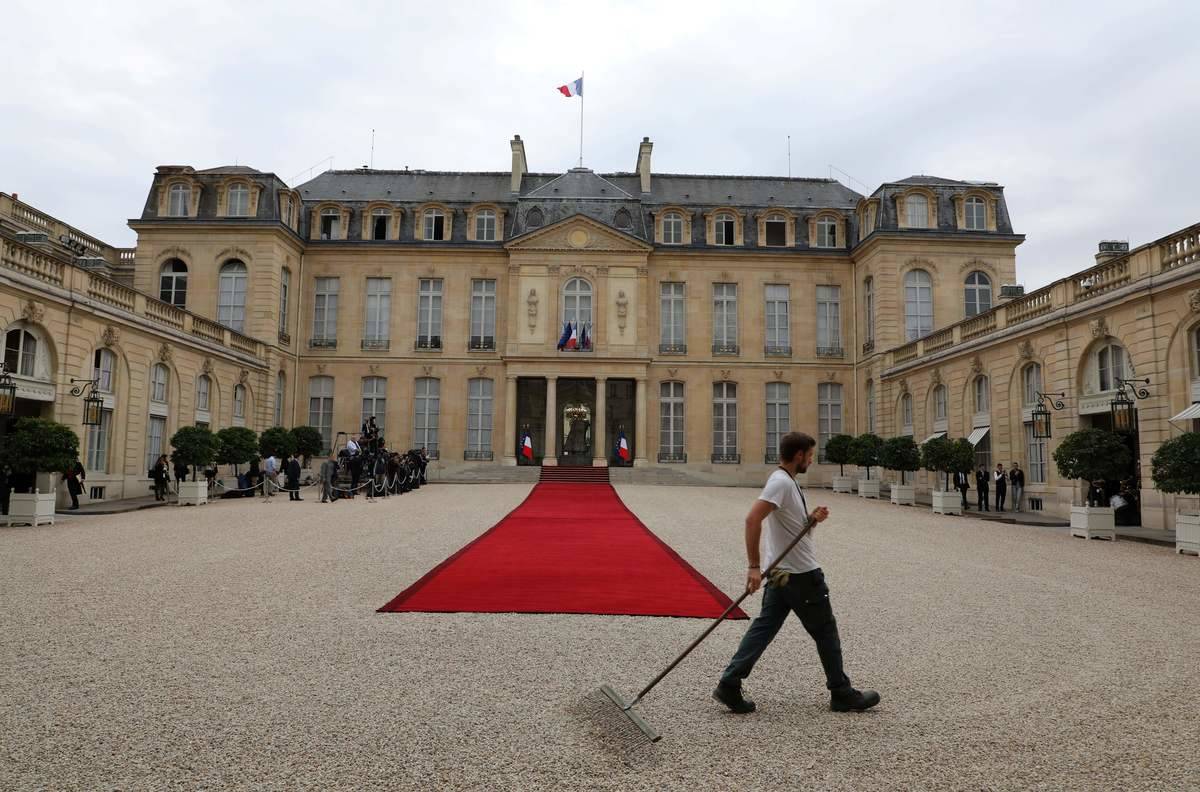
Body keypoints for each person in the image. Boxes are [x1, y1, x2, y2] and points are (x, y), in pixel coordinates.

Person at [714, 431, 880, 715]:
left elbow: (789, 526)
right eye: (811, 455)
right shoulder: (780, 481)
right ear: (799, 455)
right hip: (801, 575)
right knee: (825, 630)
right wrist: (753, 566)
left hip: (781, 572)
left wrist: (811, 520)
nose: (812, 461)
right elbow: (752, 519)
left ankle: (729, 684)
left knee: (764, 628)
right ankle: (841, 692)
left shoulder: (788, 482)